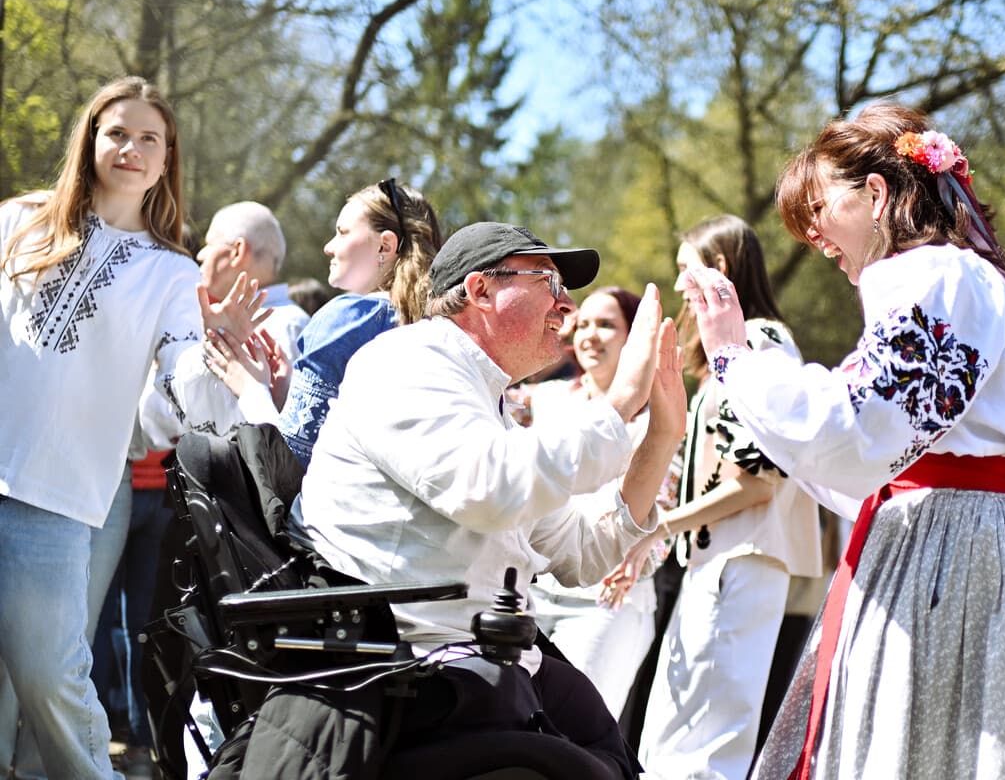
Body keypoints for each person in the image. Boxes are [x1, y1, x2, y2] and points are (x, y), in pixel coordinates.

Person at [681, 103, 1005, 779]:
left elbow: (850, 427)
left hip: (944, 547)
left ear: (876, 193)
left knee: (911, 747)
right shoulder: (978, 278)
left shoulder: (932, 274)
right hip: (983, 541)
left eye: (818, 206)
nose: (811, 233)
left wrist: (734, 357)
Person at [287, 222, 687, 777]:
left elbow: (581, 553)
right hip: (404, 671)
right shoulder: (405, 362)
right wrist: (618, 403)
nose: (564, 304)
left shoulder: (484, 395)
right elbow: (489, 491)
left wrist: (662, 435)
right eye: (548, 281)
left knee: (612, 756)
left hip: (476, 663)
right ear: (479, 290)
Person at [0, 76, 263, 780]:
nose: (131, 148)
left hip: (58, 499)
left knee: (52, 680)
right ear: (89, 137)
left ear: (167, 158)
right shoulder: (18, 221)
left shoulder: (170, 273)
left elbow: (178, 393)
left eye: (150, 138)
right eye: (118, 131)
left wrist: (219, 354)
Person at [603, 214, 822, 780]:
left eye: (685, 270)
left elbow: (753, 481)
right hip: (715, 561)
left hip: (741, 561)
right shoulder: (732, 354)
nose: (677, 286)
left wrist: (661, 526)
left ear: (719, 268)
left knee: (710, 739)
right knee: (674, 731)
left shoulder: (764, 346)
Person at [204, 179, 441, 465]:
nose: (329, 247)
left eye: (342, 233)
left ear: (385, 245)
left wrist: (250, 388)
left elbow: (290, 464)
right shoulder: (435, 325)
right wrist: (285, 394)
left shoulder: (350, 319)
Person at [507, 285, 662, 719]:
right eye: (584, 323)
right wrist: (556, 335)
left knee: (578, 738)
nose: (591, 335)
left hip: (608, 604)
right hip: (534, 597)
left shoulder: (654, 421)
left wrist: (641, 553)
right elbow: (492, 391)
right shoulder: (548, 399)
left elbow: (660, 511)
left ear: (634, 340)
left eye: (607, 326)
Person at [196, 200, 310, 359]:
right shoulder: (291, 324)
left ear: (237, 251)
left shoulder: (284, 328)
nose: (200, 255)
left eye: (210, 244)